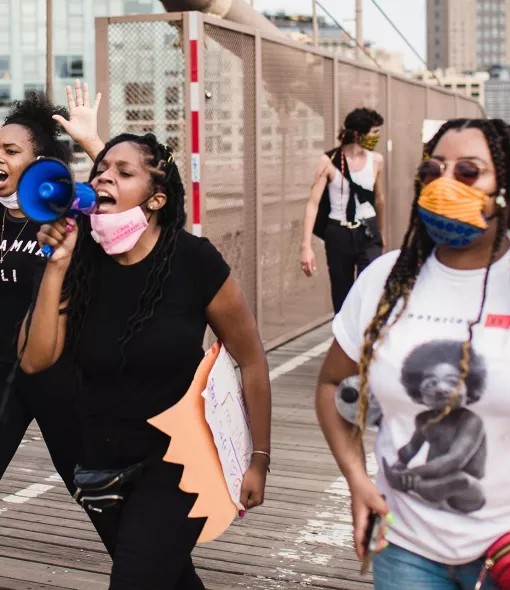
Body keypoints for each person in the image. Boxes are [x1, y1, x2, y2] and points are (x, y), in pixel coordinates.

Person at [316, 118, 510, 589]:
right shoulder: (384, 279)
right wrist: (357, 479)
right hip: (405, 549)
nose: (445, 185)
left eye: (468, 172)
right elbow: (329, 384)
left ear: (508, 186)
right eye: (433, 171)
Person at [19, 132, 272, 589]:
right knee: (170, 578)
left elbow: (251, 359)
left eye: (123, 172)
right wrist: (55, 267)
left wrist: (258, 459)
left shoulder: (193, 260)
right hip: (101, 466)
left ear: (156, 199)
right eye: (100, 170)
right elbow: (35, 361)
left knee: (136, 578)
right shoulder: (78, 260)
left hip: (182, 461)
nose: (104, 177)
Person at [0, 84, 103, 494]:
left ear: (38, 161)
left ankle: (150, 556)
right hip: (3, 373)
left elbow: (135, 200)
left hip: (60, 376)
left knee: (92, 488)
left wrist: (92, 141)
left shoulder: (71, 216)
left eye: (10, 150)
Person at [300, 107, 386, 313]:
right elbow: (313, 203)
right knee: (342, 293)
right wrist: (306, 246)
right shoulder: (328, 161)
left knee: (370, 288)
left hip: (368, 231)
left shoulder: (376, 160)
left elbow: (379, 199)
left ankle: (367, 339)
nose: (376, 137)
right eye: (373, 132)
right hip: (338, 232)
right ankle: (344, 340)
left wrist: (381, 233)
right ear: (357, 134)